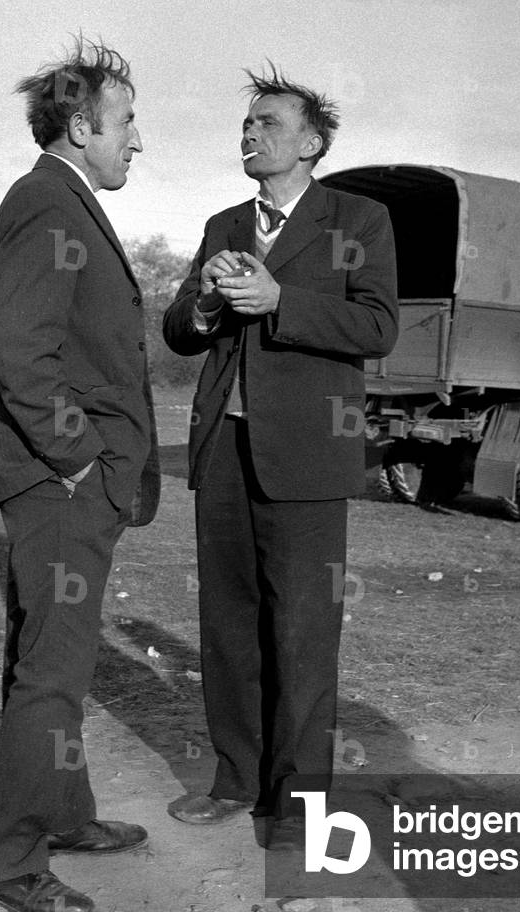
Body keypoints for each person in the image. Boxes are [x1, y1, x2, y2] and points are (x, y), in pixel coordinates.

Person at [0, 37, 160, 912]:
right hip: (60, 480)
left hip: (61, 479)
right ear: (81, 126)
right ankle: (9, 861)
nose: (135, 142)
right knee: (53, 670)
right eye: (126, 125)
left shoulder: (62, 198)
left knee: (51, 656)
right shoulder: (48, 203)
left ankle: (63, 814)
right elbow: (18, 352)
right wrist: (78, 458)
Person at [163, 65, 398, 849]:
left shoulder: (359, 220)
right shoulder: (225, 223)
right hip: (225, 452)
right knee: (227, 626)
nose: (249, 134)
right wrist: (199, 304)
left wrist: (281, 303)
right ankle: (235, 780)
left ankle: (299, 807)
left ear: (311, 142)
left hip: (306, 456)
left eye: (267, 123)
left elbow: (376, 327)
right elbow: (176, 328)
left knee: (302, 631)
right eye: (246, 125)